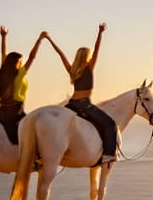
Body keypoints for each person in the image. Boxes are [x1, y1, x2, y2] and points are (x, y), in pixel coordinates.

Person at [44, 23, 118, 163]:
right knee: (110, 124)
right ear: (87, 57)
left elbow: (60, 54)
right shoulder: (89, 68)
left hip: (72, 105)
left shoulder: (72, 69)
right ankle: (108, 155)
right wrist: (100, 33)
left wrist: (49, 40)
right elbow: (97, 49)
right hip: (85, 105)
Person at [0, 26, 46, 144]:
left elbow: (3, 53)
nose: (22, 63)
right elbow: (32, 56)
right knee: (34, 133)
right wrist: (39, 39)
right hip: (16, 110)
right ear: (16, 63)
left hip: (2, 109)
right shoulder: (20, 73)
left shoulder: (5, 71)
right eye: (20, 61)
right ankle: (35, 159)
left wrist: (3, 37)